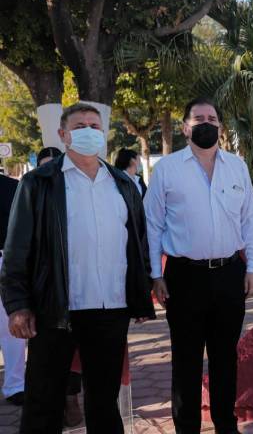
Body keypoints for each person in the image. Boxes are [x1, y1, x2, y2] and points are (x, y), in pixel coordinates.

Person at [0, 103, 155, 433]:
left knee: (103, 402)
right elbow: (17, 251)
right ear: (63, 134)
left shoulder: (124, 186)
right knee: (44, 402)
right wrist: (18, 305)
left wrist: (140, 294)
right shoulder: (37, 184)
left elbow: (139, 245)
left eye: (95, 126)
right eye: (80, 125)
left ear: (104, 134)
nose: (89, 131)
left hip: (109, 308)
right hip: (54, 310)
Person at [144, 98, 253, 434]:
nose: (206, 123)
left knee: (226, 358)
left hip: (229, 274)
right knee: (186, 362)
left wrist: (252, 267)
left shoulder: (237, 167)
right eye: (198, 118)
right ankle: (186, 429)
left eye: (212, 118)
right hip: (184, 277)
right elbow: (152, 225)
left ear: (221, 127)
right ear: (185, 127)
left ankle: (226, 426)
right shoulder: (167, 168)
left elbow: (250, 218)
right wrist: (156, 274)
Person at [34, 147, 84, 426]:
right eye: (45, 166)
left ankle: (71, 396)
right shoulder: (31, 193)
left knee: (77, 350)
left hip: (86, 293)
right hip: (48, 294)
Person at [0, 171, 24, 406]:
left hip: (5, 260)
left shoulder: (13, 187)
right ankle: (15, 386)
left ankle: (15, 385)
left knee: (11, 328)